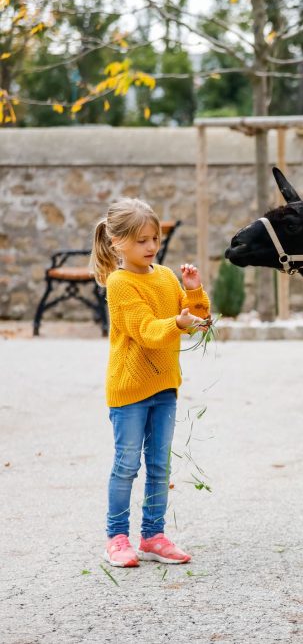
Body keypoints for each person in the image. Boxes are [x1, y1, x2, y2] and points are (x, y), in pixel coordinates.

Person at [89, 198, 210, 568]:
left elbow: (198, 318)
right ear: (117, 243)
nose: (151, 246)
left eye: (154, 238)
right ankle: (116, 538)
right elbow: (146, 331)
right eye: (141, 240)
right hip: (129, 391)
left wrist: (193, 291)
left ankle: (153, 536)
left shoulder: (166, 276)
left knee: (159, 466)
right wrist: (177, 323)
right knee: (127, 465)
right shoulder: (120, 283)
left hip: (165, 388)